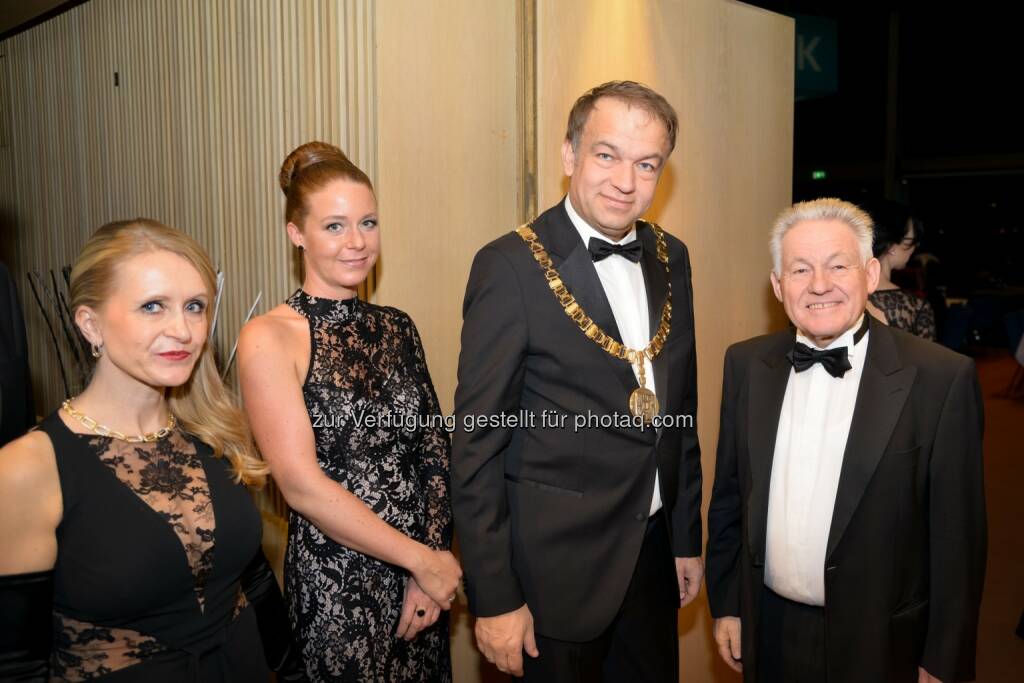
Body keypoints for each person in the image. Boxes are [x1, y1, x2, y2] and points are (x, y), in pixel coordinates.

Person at [452, 81, 703, 681]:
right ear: (569, 155)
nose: (625, 180)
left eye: (647, 165)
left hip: (651, 557)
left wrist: (685, 534)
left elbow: (680, 408)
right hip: (551, 577)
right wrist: (495, 596)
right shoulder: (508, 265)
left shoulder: (673, 257)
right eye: (606, 154)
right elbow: (476, 444)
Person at [0, 219, 305, 681]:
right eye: (152, 307)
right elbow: (16, 665)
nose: (183, 330)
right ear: (90, 323)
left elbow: (257, 583)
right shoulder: (28, 468)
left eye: (195, 306)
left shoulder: (212, 432)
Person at [705, 198, 986, 683]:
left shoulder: (941, 379)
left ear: (870, 274)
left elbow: (958, 540)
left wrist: (943, 659)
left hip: (882, 642)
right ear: (777, 285)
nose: (819, 285)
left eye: (838, 266)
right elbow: (731, 498)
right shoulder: (746, 365)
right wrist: (728, 604)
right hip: (768, 629)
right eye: (799, 270)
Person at [237, 141, 459, 682]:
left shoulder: (398, 326)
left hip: (423, 588)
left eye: (368, 222)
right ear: (297, 233)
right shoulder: (268, 336)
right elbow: (301, 485)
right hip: (340, 586)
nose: (357, 243)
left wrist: (429, 564)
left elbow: (433, 451)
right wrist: (423, 561)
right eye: (334, 226)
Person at [863, 198, 937, 340]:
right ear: (892, 246)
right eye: (910, 242)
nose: (914, 249)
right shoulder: (915, 307)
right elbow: (927, 361)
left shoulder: (841, 299)